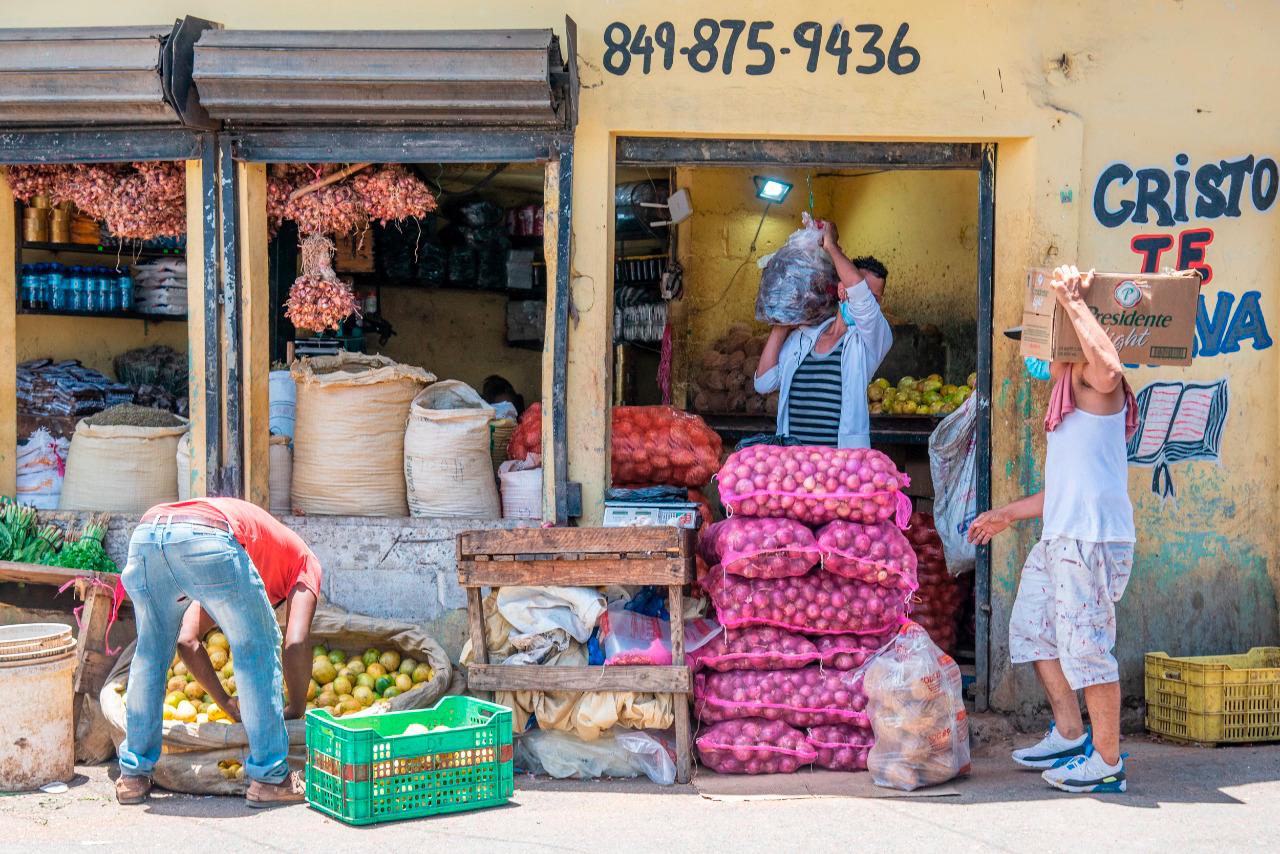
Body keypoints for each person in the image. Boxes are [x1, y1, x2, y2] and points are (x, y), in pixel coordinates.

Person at [967, 265, 1138, 794]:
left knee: (1086, 647)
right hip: (1061, 535)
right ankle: (1069, 733)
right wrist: (1006, 514)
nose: (1030, 355)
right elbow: (1063, 487)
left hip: (1089, 539)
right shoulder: (1065, 395)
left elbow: (1109, 364)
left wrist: (1071, 300)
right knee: (1032, 630)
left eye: (1038, 343)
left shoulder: (1092, 383)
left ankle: (1107, 762)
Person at [115, 497, 323, 808]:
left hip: (148, 534)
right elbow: (294, 642)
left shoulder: (261, 556)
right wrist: (294, 708)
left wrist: (225, 703)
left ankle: (133, 776)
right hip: (206, 537)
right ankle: (270, 778)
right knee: (258, 647)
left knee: (150, 654)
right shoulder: (306, 562)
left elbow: (187, 640)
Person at [754, 222, 892, 448]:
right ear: (840, 288)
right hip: (794, 468)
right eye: (863, 292)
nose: (866, 301)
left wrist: (831, 246)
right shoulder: (804, 337)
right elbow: (764, 383)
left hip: (839, 470)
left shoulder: (873, 340)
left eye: (873, 297)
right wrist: (781, 324)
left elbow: (859, 294)